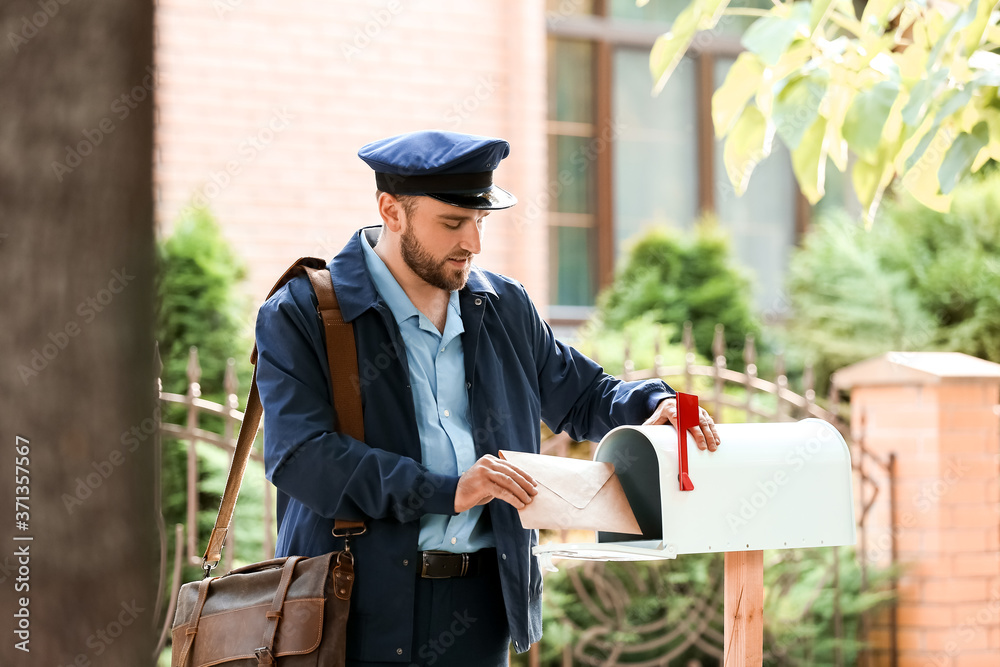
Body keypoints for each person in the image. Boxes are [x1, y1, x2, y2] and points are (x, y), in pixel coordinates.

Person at [254, 129, 721, 666]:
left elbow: (584, 395)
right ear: (391, 210)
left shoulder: (504, 305)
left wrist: (649, 407)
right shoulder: (302, 313)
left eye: (480, 222)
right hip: (349, 611)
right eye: (452, 223)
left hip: (479, 616)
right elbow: (302, 457)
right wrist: (446, 491)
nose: (472, 243)